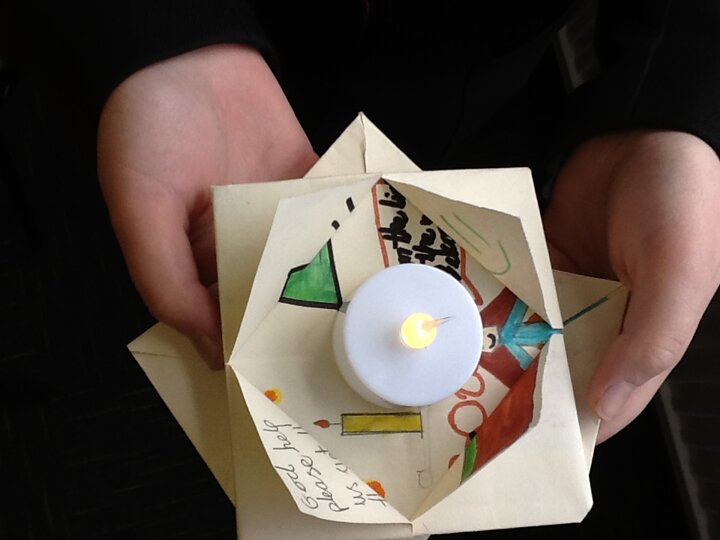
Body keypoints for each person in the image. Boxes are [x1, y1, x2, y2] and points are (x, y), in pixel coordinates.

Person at [19, 0, 720, 445]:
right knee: (171, 299)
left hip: (476, 100)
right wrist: (158, 28)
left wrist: (669, 103)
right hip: (191, 95)